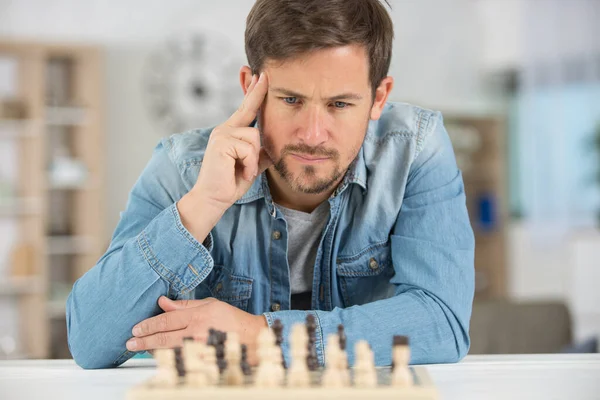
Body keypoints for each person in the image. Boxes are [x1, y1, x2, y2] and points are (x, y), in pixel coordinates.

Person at [66, 0, 475, 369]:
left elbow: (442, 322)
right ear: (251, 88)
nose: (313, 134)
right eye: (291, 100)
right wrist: (203, 203)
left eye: (340, 104)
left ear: (379, 97)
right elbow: (90, 340)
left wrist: (261, 335)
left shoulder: (415, 151)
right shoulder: (184, 168)